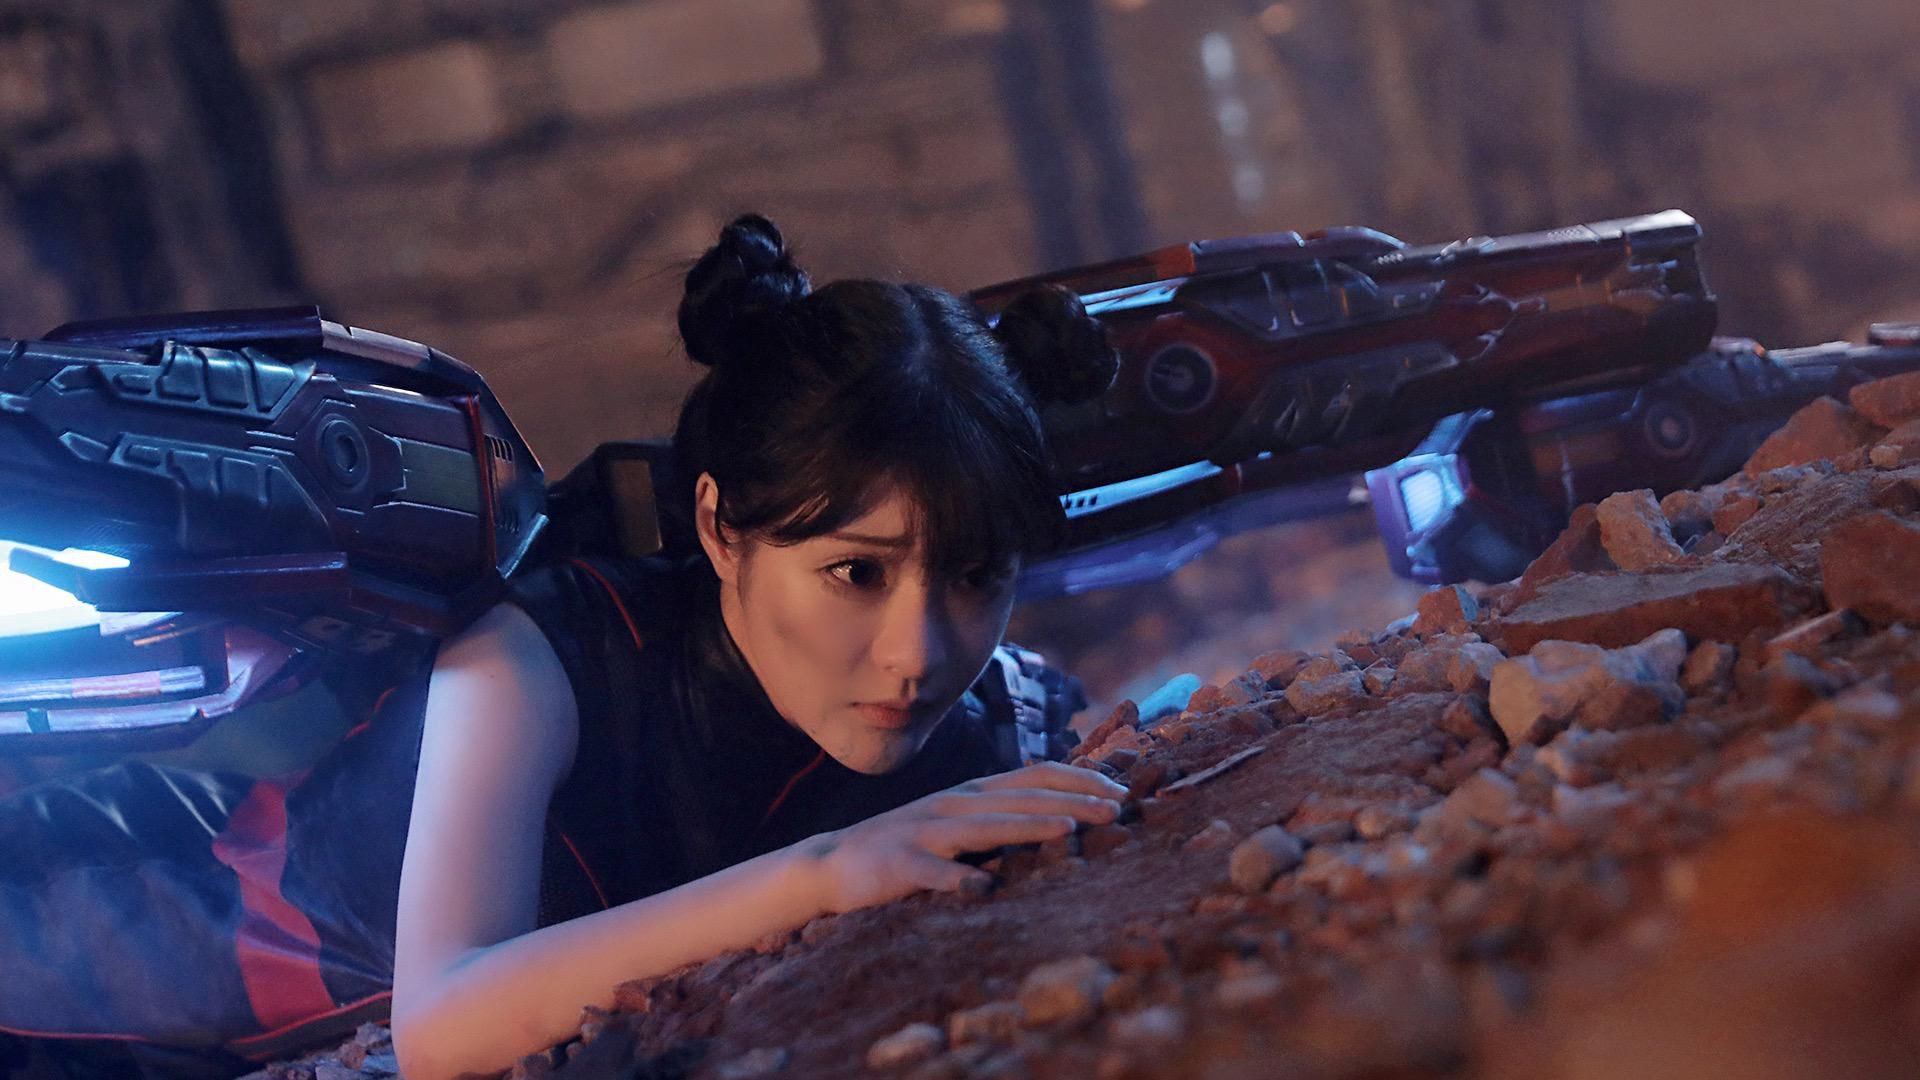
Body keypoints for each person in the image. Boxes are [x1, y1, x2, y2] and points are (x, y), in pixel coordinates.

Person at [390, 214, 1128, 1080]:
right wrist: (823, 874)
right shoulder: (528, 660)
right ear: (719, 527)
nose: (918, 656)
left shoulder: (1001, 717)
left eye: (975, 576)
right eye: (857, 573)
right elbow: (436, 1024)